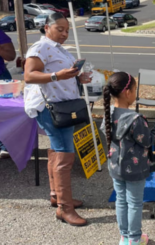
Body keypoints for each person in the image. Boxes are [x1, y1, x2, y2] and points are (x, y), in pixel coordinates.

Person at [24, 12, 91, 226]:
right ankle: (65, 208)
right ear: (46, 28)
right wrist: (56, 76)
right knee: (64, 154)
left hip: (63, 106)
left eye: (67, 30)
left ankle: (57, 196)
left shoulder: (59, 49)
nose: (64, 33)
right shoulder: (40, 47)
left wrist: (78, 77)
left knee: (57, 151)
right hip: (49, 107)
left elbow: (62, 74)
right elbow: (29, 75)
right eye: (59, 29)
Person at [102, 72, 155, 245]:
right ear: (127, 92)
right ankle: (135, 239)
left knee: (121, 201)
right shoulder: (135, 120)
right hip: (135, 169)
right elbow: (149, 140)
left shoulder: (109, 114)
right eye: (135, 89)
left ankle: (124, 237)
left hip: (115, 166)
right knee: (135, 203)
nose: (135, 93)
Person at [0, 29, 17, 158]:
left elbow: (11, 56)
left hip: (2, 78)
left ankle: (6, 145)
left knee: (8, 112)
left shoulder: (0, 34)